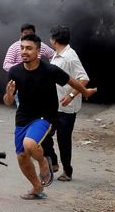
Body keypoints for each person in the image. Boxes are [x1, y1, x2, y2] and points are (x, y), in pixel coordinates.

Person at [3, 34, 96, 200]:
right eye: (22, 48)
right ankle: (37, 187)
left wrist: (85, 92)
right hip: (23, 118)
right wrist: (9, 95)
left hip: (45, 116)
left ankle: (44, 162)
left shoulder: (49, 70)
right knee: (22, 156)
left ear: (38, 51)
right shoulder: (14, 71)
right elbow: (8, 101)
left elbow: (72, 81)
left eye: (29, 48)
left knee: (29, 145)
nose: (24, 51)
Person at [2, 23, 59, 173]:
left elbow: (53, 55)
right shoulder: (15, 48)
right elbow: (6, 64)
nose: (24, 50)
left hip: (41, 98)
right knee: (23, 150)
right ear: (20, 34)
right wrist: (21, 69)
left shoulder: (40, 48)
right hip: (22, 90)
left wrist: (45, 70)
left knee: (39, 132)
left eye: (29, 34)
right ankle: (39, 175)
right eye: (24, 34)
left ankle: (48, 158)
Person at [49, 25, 91, 182]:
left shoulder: (70, 56)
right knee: (44, 136)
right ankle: (53, 162)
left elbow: (84, 78)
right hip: (54, 105)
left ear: (54, 40)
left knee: (63, 140)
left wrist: (71, 95)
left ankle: (67, 170)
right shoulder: (57, 55)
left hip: (66, 108)